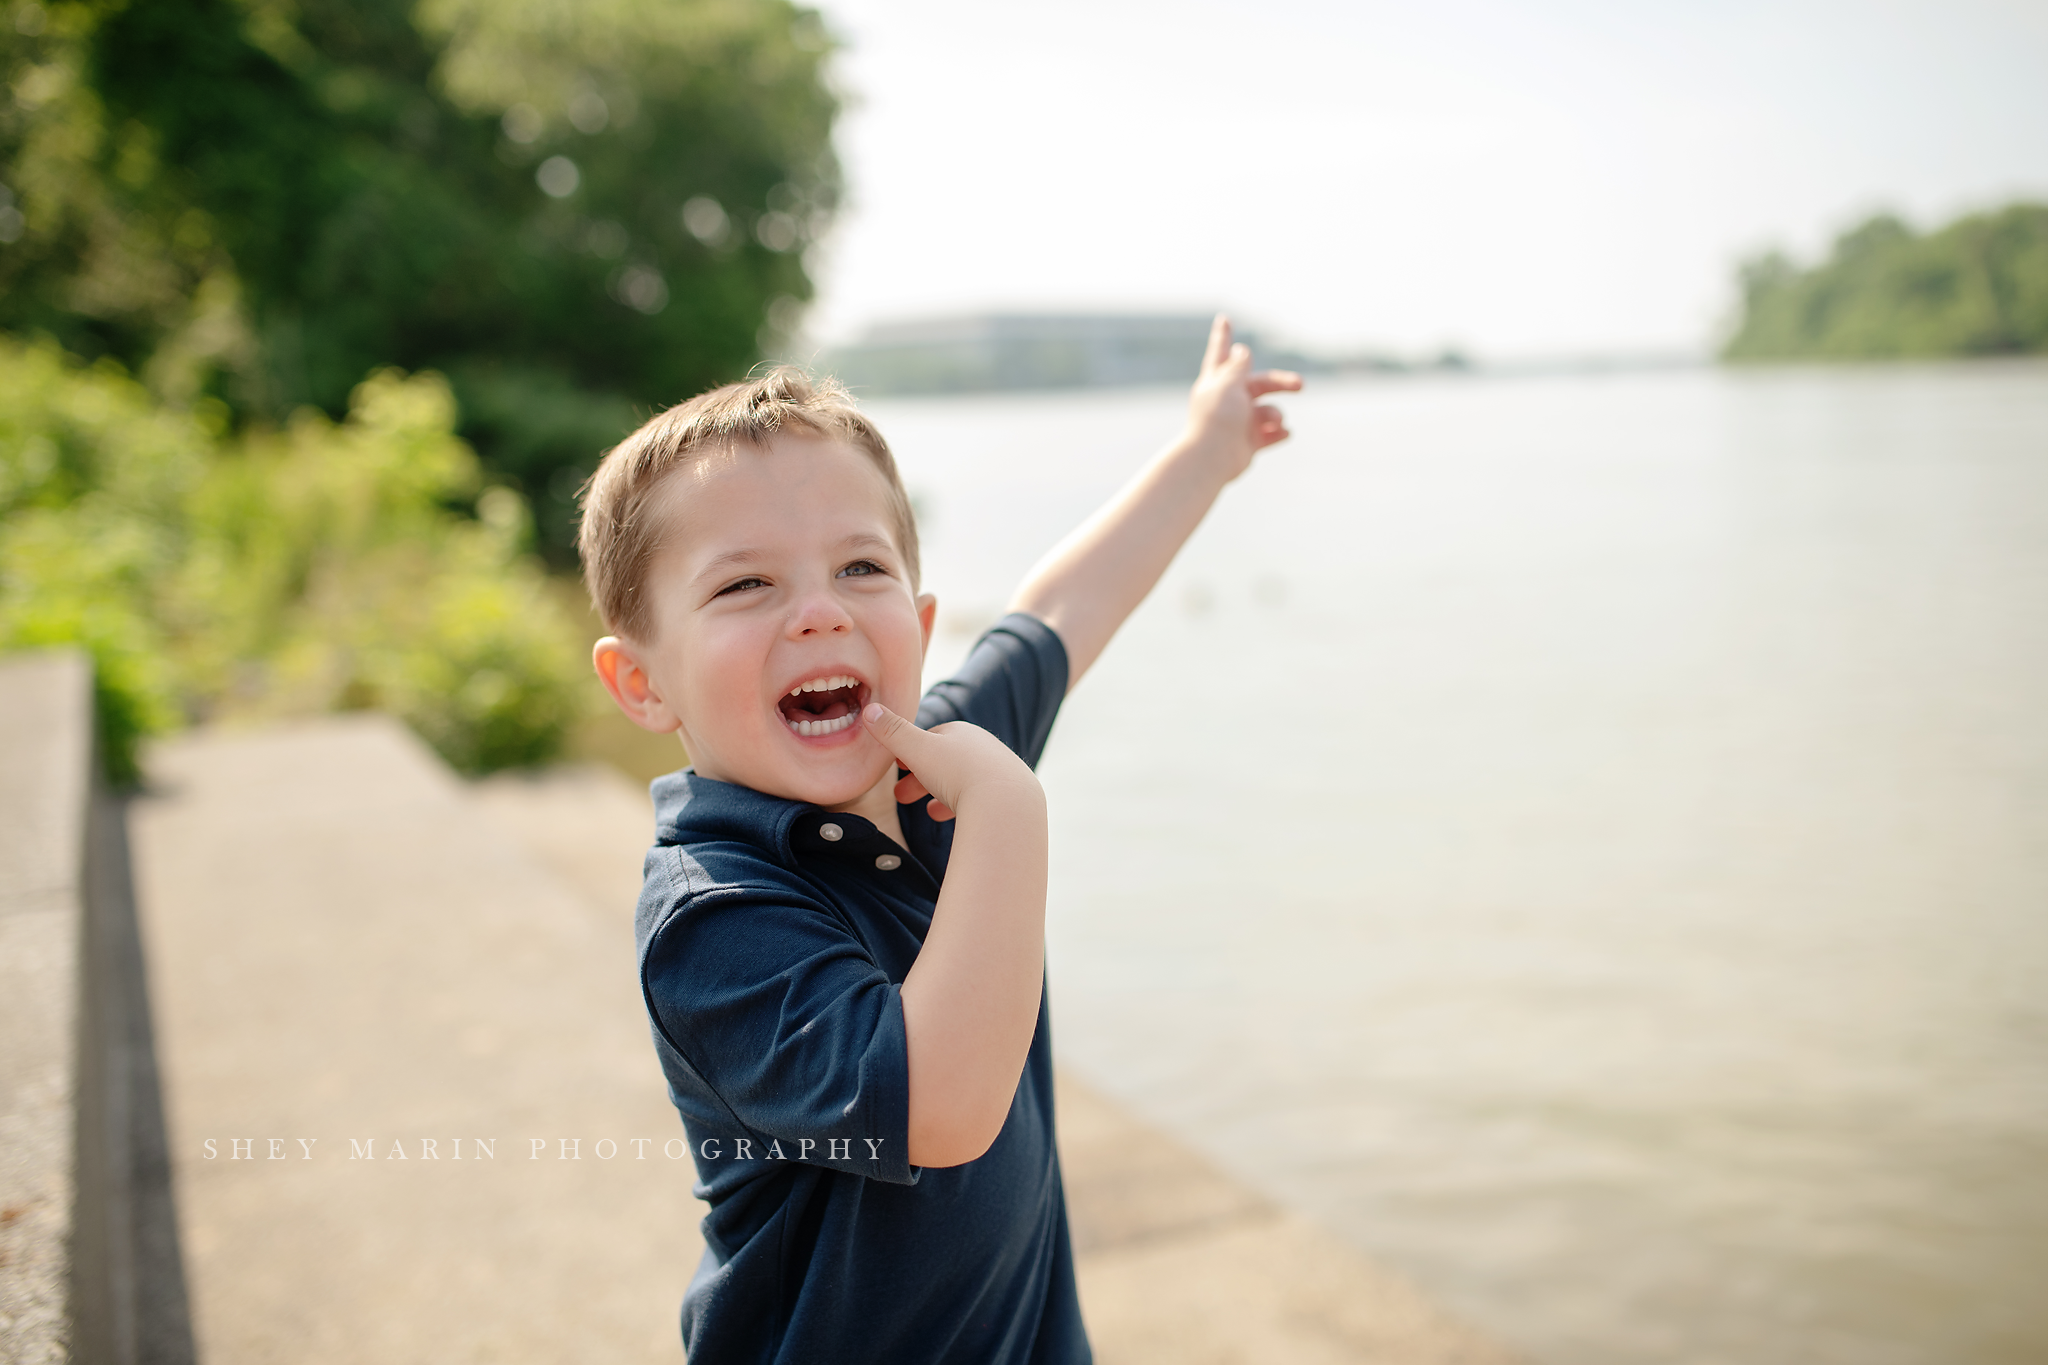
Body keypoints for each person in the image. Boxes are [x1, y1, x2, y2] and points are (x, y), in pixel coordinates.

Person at [580, 316, 1300, 1362]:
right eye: (745, 585)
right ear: (642, 682)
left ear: (917, 629)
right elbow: (942, 1105)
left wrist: (1205, 450)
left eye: (859, 568)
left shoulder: (937, 769)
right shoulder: (714, 913)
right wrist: (1009, 815)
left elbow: (1058, 606)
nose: (819, 612)